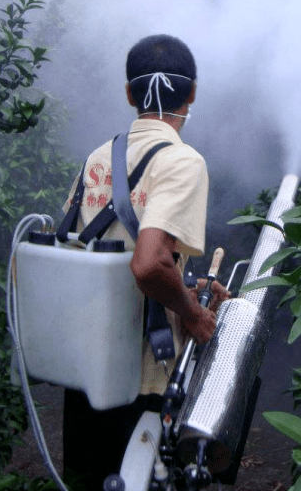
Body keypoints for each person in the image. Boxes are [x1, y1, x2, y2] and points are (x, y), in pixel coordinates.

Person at [60, 34, 228, 490]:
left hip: (86, 360)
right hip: (142, 372)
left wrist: (184, 287)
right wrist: (192, 314)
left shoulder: (99, 157)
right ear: (191, 93)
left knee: (92, 479)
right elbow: (149, 264)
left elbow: (90, 250)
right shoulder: (181, 161)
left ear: (129, 94)